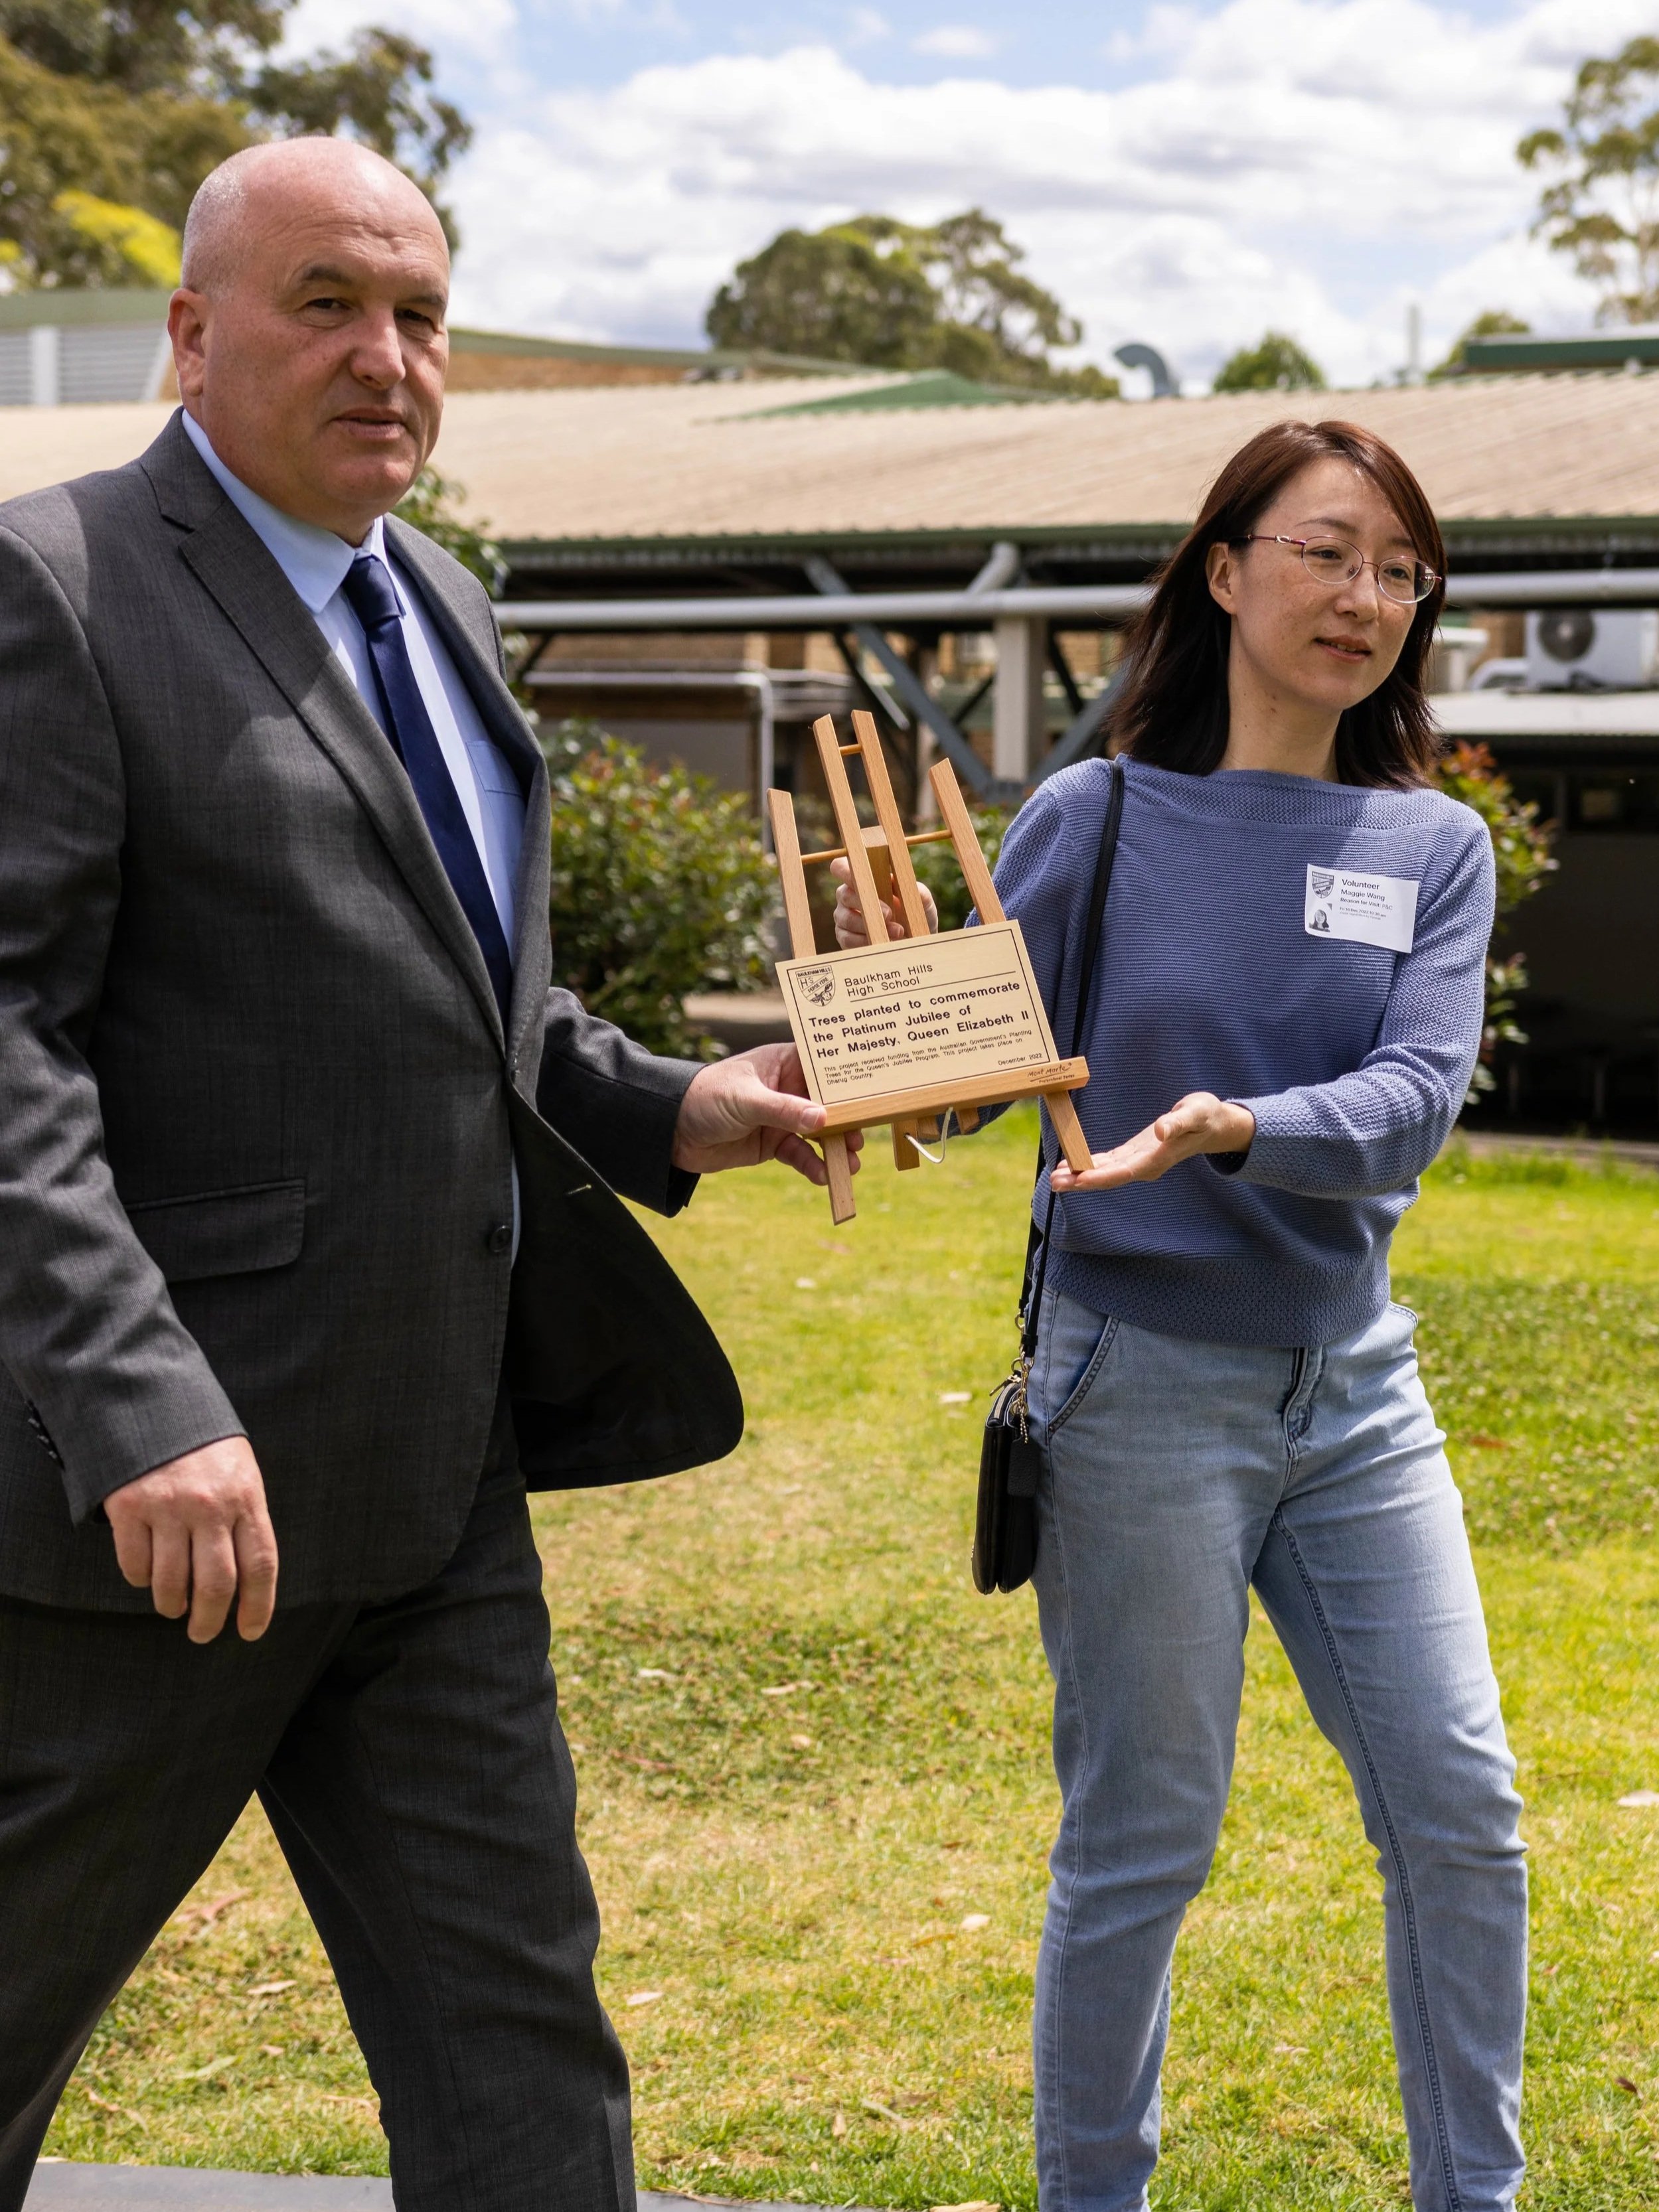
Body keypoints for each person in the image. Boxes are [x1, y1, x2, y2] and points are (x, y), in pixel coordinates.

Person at [0, 139, 858, 2211]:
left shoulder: (444, 601)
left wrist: (670, 1106)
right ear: (192, 335)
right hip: (162, 1519)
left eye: (421, 316)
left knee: (519, 2065)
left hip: (437, 1479)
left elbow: (472, 1012)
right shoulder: (56, 589)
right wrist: (142, 1404)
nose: (388, 359)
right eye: (326, 306)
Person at [834, 420, 1526, 2212]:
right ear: (1220, 573)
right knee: (1141, 1840)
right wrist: (874, 1024)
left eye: (1396, 569)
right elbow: (973, 1082)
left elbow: (1409, 1103)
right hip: (1134, 1389)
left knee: (1459, 1812)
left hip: (1355, 1392)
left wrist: (1236, 1125)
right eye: (1323, 552)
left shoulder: (1429, 843)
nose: (1361, 598)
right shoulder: (1101, 813)